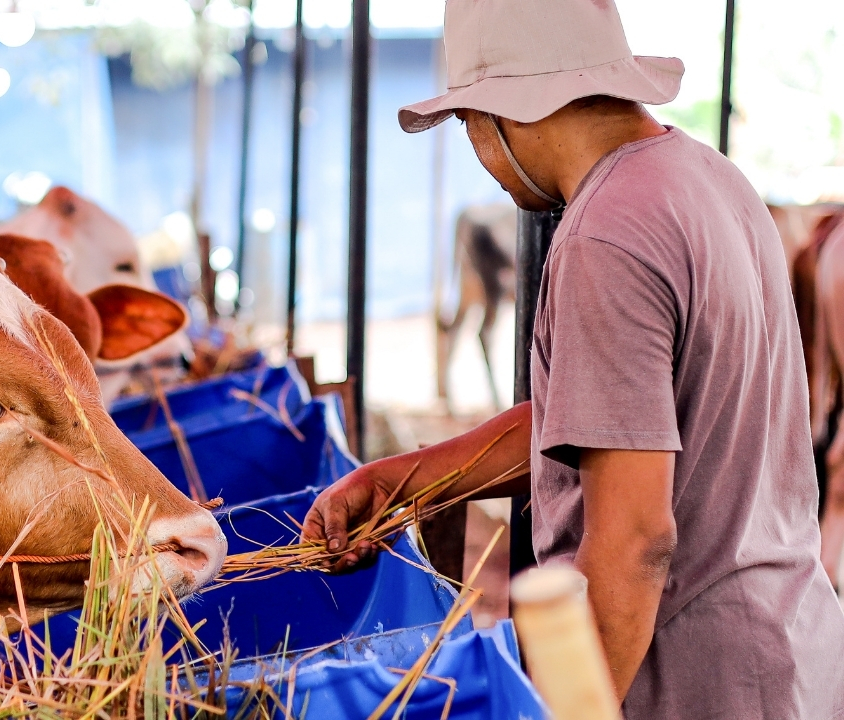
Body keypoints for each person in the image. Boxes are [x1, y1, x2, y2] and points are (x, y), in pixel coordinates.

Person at [302, 0, 844, 717]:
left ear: (504, 111)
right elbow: (610, 426)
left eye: (467, 122)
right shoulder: (712, 179)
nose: (479, 154)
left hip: (688, 684)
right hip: (793, 650)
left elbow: (634, 542)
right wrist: (405, 479)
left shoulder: (604, 234)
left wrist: (571, 707)